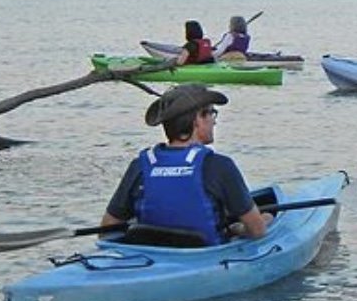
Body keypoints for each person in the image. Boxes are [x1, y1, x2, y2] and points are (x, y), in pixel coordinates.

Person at [100, 83, 271, 246]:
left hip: (150, 255)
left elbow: (106, 230)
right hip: (205, 258)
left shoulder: (139, 166)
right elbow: (257, 231)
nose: (214, 121)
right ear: (197, 119)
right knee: (268, 218)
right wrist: (240, 228)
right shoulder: (220, 166)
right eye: (211, 113)